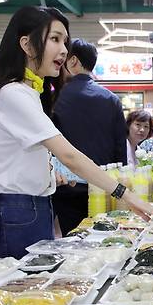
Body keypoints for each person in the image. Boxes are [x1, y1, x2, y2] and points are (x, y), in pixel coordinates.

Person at [0, 6, 153, 260]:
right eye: (55, 39)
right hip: (16, 211)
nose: (64, 50)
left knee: (34, 290)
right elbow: (70, 155)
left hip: (32, 208)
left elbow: (20, 156)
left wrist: (50, 175)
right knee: (18, 292)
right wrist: (127, 195)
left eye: (65, 41)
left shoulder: (29, 92)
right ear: (27, 45)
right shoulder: (13, 93)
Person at [51, 38, 127, 235]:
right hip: (103, 187)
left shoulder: (55, 98)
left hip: (65, 187)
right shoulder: (111, 99)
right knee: (104, 238)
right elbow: (121, 151)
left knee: (73, 240)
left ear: (73, 61)